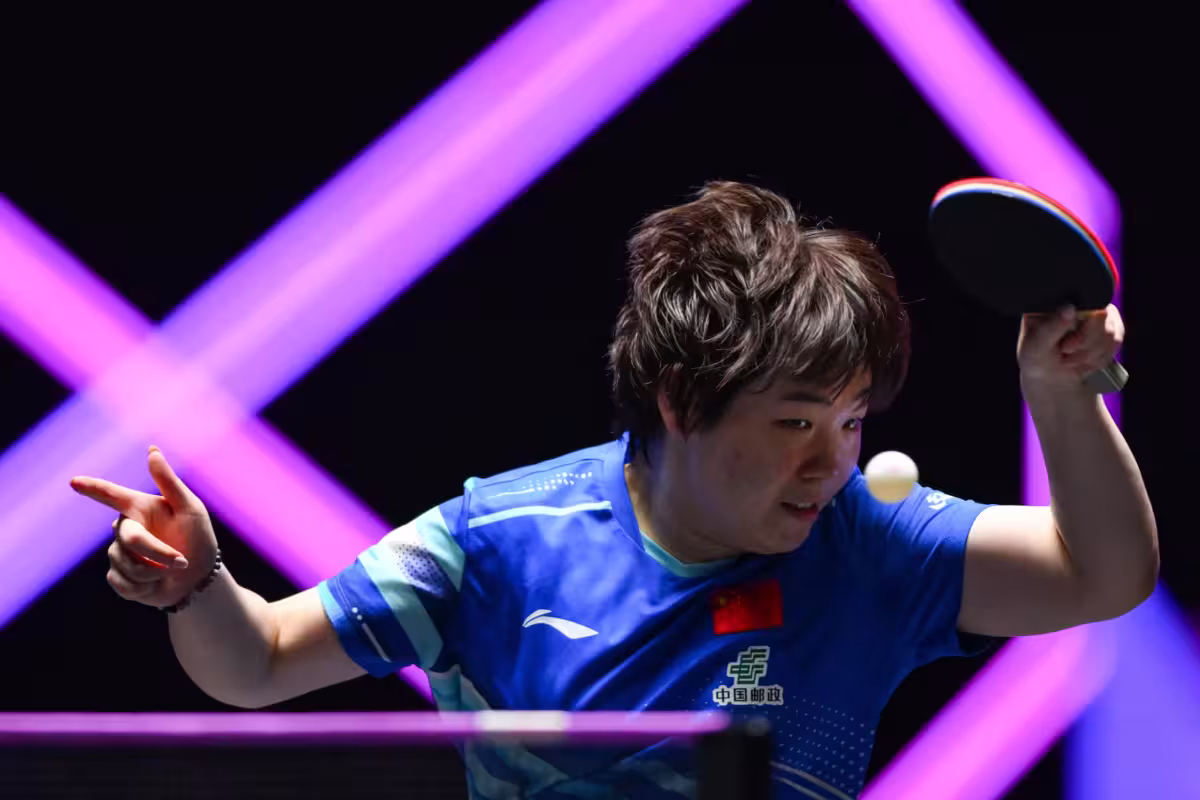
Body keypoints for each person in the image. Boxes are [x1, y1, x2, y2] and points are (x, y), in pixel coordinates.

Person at [71, 181, 1157, 799]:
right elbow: (258, 660)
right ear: (682, 399)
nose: (830, 463)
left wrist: (1062, 400)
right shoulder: (500, 540)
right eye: (794, 424)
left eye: (852, 423)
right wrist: (197, 583)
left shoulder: (871, 544)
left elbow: (1103, 574)